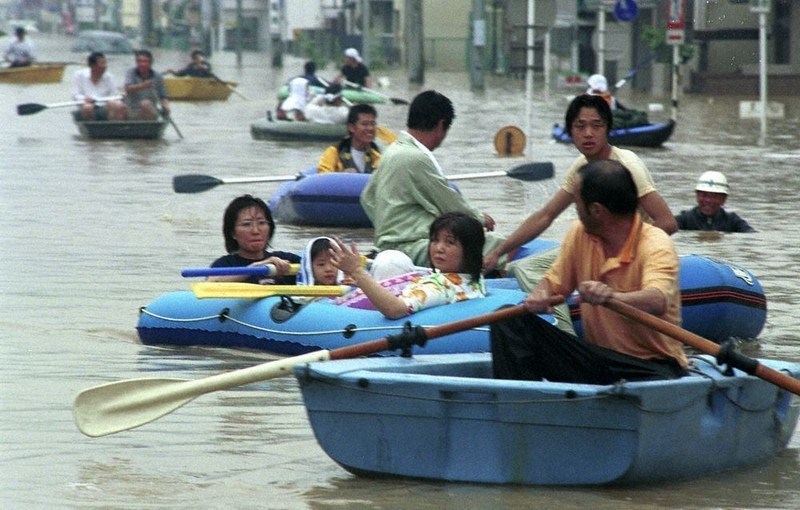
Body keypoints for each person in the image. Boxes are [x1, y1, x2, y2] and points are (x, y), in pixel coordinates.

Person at [491, 159, 688, 384]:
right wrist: (540, 293)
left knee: (657, 375)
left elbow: (657, 300)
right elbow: (554, 282)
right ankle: (522, 402)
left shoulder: (655, 243)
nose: (576, 210)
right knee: (510, 320)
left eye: (577, 203)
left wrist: (612, 297)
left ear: (596, 210)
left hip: (652, 367)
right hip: (599, 361)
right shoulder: (580, 233)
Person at [484, 94, 676, 283]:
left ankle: (559, 306)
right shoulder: (581, 167)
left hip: (628, 251)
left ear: (608, 129)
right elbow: (546, 216)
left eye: (596, 125)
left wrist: (623, 254)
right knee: (515, 267)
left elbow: (667, 222)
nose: (588, 133)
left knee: (525, 269)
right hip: (593, 245)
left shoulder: (628, 166)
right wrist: (499, 252)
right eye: (580, 126)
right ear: (570, 131)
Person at [360, 90, 502, 267]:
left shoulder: (392, 150)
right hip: (411, 248)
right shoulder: (416, 158)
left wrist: (388, 228)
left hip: (387, 246)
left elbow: (367, 198)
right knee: (497, 242)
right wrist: (480, 219)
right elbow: (449, 204)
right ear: (441, 126)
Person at [330, 212, 487, 319]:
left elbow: (396, 310)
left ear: (470, 251)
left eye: (450, 242)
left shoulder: (438, 286)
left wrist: (356, 271)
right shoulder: (474, 280)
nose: (439, 248)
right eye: (434, 240)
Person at [209, 195, 300, 285]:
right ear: (232, 233)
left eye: (261, 223)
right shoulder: (224, 265)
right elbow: (211, 283)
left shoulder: (287, 259)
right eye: (246, 224)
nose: (255, 231)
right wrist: (255, 268)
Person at [675, 171, 756, 233]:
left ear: (724, 199)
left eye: (714, 196)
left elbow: (752, 235)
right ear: (697, 196)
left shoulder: (733, 221)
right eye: (704, 195)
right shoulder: (684, 220)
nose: (708, 200)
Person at [317, 103, 382, 173]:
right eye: (364, 124)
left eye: (372, 124)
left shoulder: (378, 154)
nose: (370, 128)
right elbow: (323, 176)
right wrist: (344, 175)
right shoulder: (334, 152)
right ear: (351, 127)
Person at [72, 51, 126, 121]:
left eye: (105, 63)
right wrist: (85, 99)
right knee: (88, 107)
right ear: (93, 66)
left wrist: (120, 98)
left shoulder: (109, 77)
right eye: (102, 63)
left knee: (115, 105)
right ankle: (92, 126)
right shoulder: (79, 75)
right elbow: (76, 94)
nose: (105, 66)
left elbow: (114, 95)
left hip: (105, 106)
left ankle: (113, 126)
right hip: (87, 105)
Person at [123, 49, 171, 121]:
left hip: (150, 109)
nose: (142, 64)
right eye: (139, 61)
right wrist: (143, 86)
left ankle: (148, 126)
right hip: (132, 109)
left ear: (150, 63)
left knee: (145, 104)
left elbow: (163, 96)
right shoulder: (131, 72)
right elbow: (127, 88)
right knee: (115, 105)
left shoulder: (157, 76)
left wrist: (166, 106)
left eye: (145, 61)